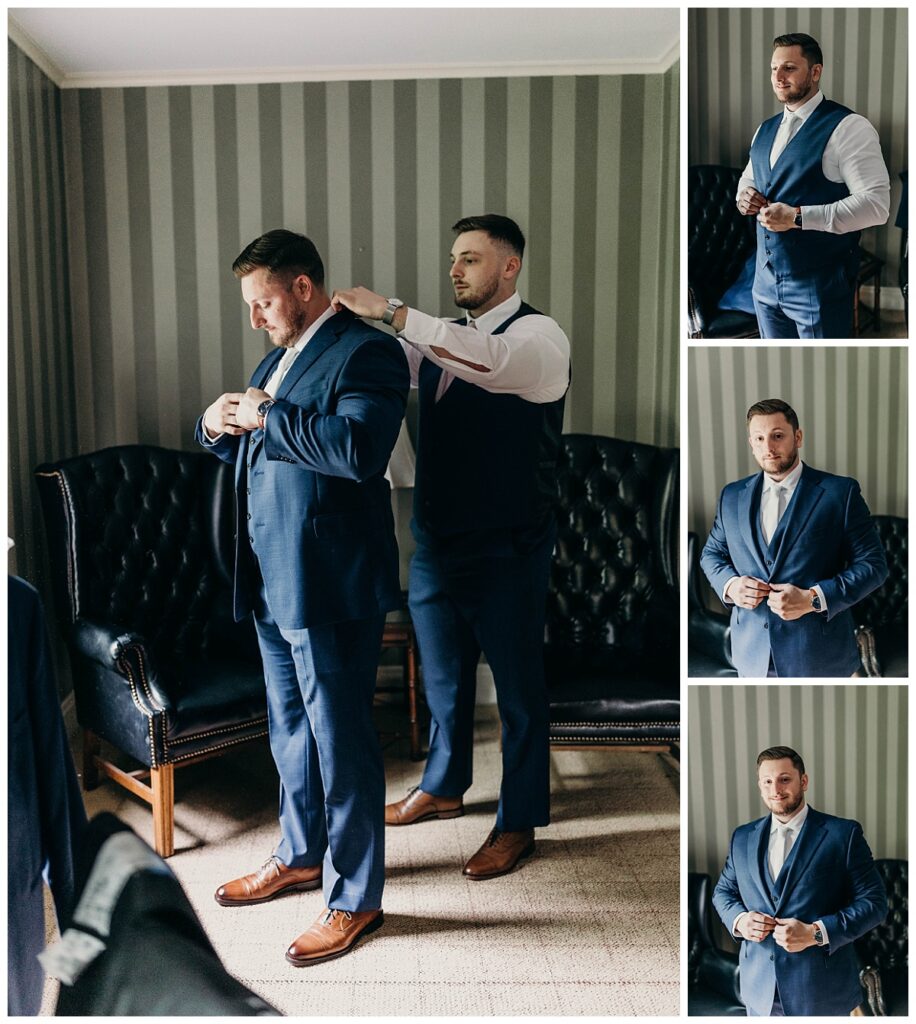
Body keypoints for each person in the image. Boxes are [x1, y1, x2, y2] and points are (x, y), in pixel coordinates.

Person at [332, 214, 570, 880]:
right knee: (443, 676)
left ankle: (518, 820)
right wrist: (338, 324)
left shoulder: (539, 338)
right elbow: (391, 366)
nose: (455, 270)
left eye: (469, 259)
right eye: (453, 259)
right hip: (437, 542)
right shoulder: (441, 341)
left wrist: (396, 312)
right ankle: (443, 786)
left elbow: (488, 368)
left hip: (509, 547)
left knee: (520, 691)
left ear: (510, 266)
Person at [196, 229, 409, 965]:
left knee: (340, 738)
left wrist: (264, 416)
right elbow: (269, 445)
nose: (255, 318)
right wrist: (219, 424)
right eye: (250, 305)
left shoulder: (367, 351)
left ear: (304, 288)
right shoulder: (278, 356)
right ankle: (300, 854)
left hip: (330, 580)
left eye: (263, 302)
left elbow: (355, 451)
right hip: (271, 577)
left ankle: (356, 899)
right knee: (289, 729)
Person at [700, 398, 887, 677]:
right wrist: (731, 585)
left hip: (821, 657)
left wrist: (813, 598)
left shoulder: (840, 492)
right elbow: (710, 555)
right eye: (759, 438)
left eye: (777, 436)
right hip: (750, 657)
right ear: (750, 442)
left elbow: (873, 566)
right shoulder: (731, 496)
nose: (768, 447)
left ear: (797, 437)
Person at [736, 32, 890, 339]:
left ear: (815, 71)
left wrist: (796, 217)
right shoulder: (763, 130)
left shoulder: (848, 127)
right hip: (763, 282)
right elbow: (750, 177)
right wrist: (745, 196)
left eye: (789, 68)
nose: (778, 77)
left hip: (818, 284)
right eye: (773, 68)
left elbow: (876, 206)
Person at [712, 746, 886, 1016]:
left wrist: (816, 933)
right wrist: (740, 921)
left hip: (823, 993)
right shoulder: (742, 837)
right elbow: (723, 892)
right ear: (759, 786)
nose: (775, 790)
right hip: (759, 993)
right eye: (767, 782)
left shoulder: (843, 834)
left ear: (803, 781)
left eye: (784, 779)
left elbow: (875, 904)